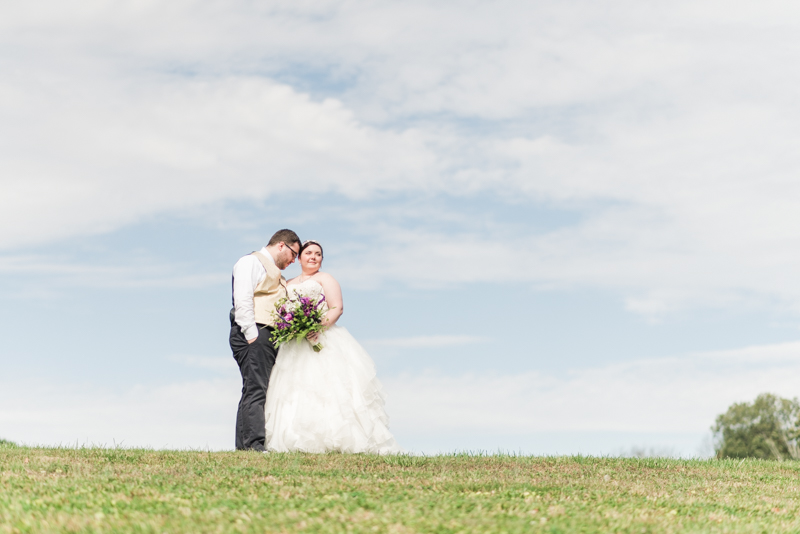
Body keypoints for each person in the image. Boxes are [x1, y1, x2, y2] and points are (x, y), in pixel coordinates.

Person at [264, 240, 401, 454]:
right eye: (308, 253)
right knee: (295, 390)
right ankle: (296, 440)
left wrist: (317, 326)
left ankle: (336, 440)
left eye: (318, 254)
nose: (313, 257)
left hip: (323, 337)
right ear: (299, 257)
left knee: (329, 388)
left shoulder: (325, 278)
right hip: (295, 343)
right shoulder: (287, 282)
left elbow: (337, 307)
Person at [230, 229, 301, 451]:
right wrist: (252, 334)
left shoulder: (277, 275)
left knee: (255, 388)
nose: (293, 261)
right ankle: (254, 445)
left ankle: (245, 447)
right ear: (281, 245)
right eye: (293, 254)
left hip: (266, 334)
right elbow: (242, 299)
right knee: (256, 389)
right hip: (255, 333)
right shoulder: (250, 262)